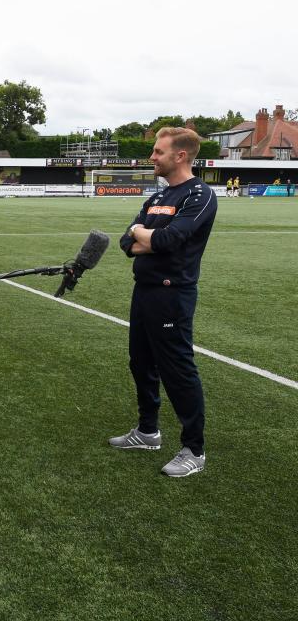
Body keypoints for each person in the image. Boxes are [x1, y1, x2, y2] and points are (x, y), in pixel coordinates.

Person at [112, 127, 217, 478]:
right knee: (140, 363)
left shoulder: (199, 194)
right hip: (144, 291)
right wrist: (148, 238)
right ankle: (147, 432)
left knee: (178, 370)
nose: (152, 157)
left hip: (173, 295)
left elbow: (171, 239)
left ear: (180, 155)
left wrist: (147, 236)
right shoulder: (156, 198)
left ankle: (194, 450)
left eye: (158, 152)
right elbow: (126, 243)